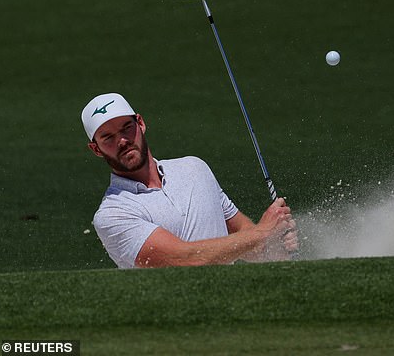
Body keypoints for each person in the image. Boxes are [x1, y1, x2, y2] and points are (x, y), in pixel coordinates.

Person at [81, 92, 298, 268]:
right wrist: (262, 232)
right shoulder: (112, 214)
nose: (122, 141)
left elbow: (245, 242)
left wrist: (274, 245)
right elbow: (184, 260)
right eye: (108, 137)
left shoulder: (194, 168)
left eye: (126, 128)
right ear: (96, 149)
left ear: (140, 123)